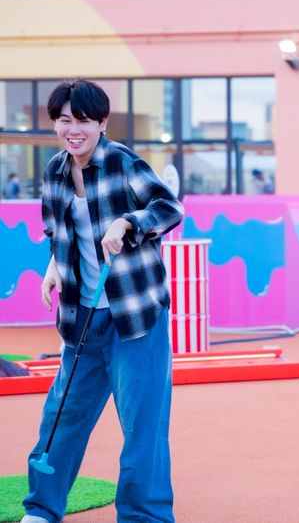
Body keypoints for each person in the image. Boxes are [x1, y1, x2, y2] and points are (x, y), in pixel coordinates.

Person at [23, 80, 183, 523]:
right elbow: (57, 231)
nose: (73, 129)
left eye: (83, 121)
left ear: (102, 123)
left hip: (134, 319)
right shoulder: (55, 170)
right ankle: (41, 509)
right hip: (81, 319)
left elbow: (169, 208)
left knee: (142, 425)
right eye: (64, 120)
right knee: (62, 416)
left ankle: (143, 516)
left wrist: (129, 222)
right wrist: (54, 267)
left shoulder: (122, 162)